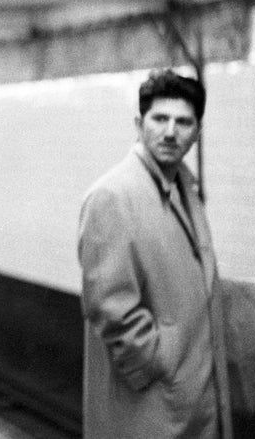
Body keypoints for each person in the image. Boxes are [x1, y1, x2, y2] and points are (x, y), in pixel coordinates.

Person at [77, 69, 231, 439]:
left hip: (192, 399)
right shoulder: (112, 197)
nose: (170, 131)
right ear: (139, 124)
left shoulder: (184, 188)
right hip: (154, 407)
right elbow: (109, 306)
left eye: (183, 122)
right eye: (159, 119)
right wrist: (160, 365)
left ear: (197, 132)